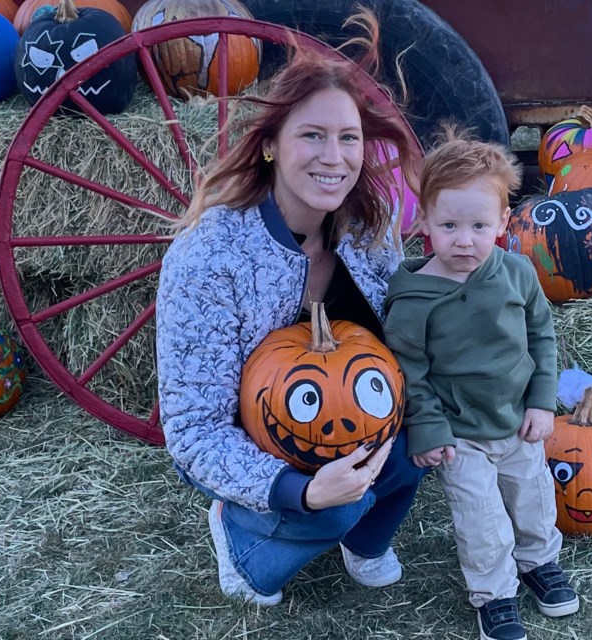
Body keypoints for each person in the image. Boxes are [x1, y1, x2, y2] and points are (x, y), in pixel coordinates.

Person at [155, 13, 425, 606]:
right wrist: (297, 490)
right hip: (247, 437)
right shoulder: (210, 256)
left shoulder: (369, 231)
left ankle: (365, 540)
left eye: (348, 137)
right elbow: (194, 430)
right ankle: (241, 540)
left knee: (418, 443)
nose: (334, 156)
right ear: (273, 144)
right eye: (312, 135)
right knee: (336, 505)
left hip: (351, 405)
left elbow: (408, 338)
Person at [383, 130, 579, 640]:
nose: (464, 239)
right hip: (459, 430)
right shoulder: (412, 298)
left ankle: (539, 563)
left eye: (478, 225)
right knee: (481, 516)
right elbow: (411, 372)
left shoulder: (516, 273)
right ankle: (493, 593)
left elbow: (542, 336)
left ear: (503, 222)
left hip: (516, 417)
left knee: (532, 496)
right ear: (422, 220)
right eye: (448, 225)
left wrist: (542, 402)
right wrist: (429, 430)